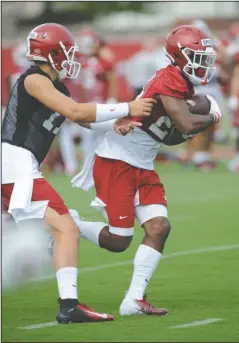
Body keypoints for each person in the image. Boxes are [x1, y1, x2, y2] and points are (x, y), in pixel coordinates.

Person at [1, 22, 155, 324]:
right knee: (66, 229)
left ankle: (68, 304)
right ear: (53, 54)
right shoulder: (34, 79)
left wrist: (114, 124)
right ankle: (69, 306)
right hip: (14, 165)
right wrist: (127, 106)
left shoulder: (54, 87)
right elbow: (75, 112)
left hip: (13, 164)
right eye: (67, 53)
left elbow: (79, 117)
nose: (72, 59)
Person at [70, 25, 222, 316]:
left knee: (159, 227)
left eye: (206, 57)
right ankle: (70, 224)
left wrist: (199, 110)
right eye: (198, 57)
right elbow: (187, 125)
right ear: (179, 56)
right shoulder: (168, 78)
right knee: (118, 241)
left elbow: (174, 134)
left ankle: (133, 300)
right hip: (117, 162)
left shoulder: (183, 85)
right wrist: (213, 113)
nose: (204, 64)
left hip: (142, 163)